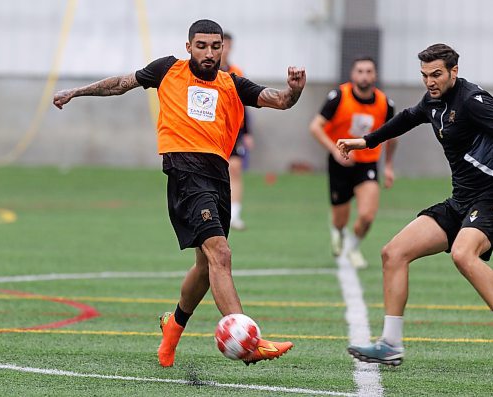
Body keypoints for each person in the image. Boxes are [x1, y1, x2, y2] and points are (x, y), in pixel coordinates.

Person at [53, 19, 306, 367]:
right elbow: (120, 84)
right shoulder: (167, 69)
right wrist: (76, 92)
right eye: (201, 45)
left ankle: (173, 327)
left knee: (204, 267)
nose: (209, 52)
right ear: (189, 47)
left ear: (223, 49)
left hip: (217, 177)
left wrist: (295, 90)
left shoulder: (232, 83)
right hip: (185, 175)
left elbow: (280, 101)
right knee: (221, 254)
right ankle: (251, 339)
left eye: (215, 46)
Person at [337, 43, 493, 366]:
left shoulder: (472, 101)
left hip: (490, 197)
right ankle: (391, 344)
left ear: (454, 71)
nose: (430, 82)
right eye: (424, 75)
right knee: (393, 253)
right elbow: (407, 118)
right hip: (461, 200)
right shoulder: (433, 101)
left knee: (464, 254)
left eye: (436, 74)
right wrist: (365, 142)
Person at [310, 56, 397, 269]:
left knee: (367, 215)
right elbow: (315, 126)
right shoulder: (339, 97)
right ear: (352, 74)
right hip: (340, 163)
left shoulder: (385, 104)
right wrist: (335, 151)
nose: (364, 76)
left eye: (369, 71)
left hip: (367, 163)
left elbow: (393, 137)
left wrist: (388, 166)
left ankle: (353, 247)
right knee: (340, 219)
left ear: (375, 75)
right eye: (360, 71)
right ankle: (339, 233)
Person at [220, 32, 253, 231]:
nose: (225, 50)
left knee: (235, 170)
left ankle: (235, 215)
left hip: (233, 130)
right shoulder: (206, 72)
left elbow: (245, 102)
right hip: (210, 130)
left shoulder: (236, 72)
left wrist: (247, 132)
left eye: (228, 46)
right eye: (222, 46)